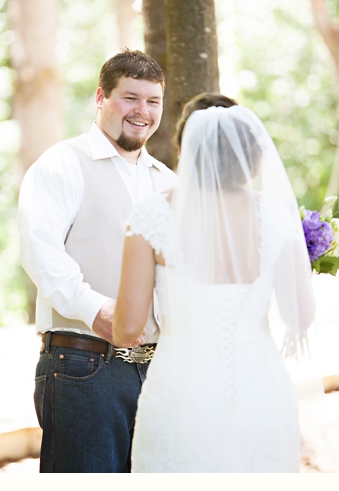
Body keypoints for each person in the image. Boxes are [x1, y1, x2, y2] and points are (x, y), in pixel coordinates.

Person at [112, 93, 317, 472]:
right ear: (252, 154)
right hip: (262, 391)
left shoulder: (152, 215)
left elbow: (127, 328)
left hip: (181, 394)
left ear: (183, 148)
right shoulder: (275, 216)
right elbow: (301, 318)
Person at [18, 49, 177, 473]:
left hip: (160, 374)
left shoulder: (169, 181)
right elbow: (41, 252)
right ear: (100, 98)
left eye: (153, 101)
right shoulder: (61, 164)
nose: (142, 112)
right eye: (130, 98)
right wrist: (95, 308)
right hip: (84, 367)